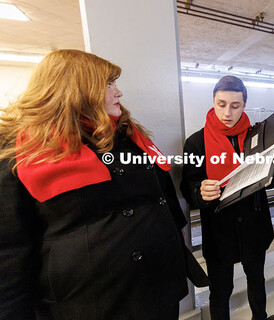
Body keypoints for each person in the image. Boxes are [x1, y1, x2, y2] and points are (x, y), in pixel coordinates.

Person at [0, 49, 196, 319]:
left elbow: (161, 192)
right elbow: (9, 251)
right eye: (109, 84)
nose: (119, 92)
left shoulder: (128, 134)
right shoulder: (22, 151)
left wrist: (178, 232)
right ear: (76, 88)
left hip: (157, 285)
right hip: (92, 302)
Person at [180, 75, 274, 320]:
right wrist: (199, 192)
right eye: (221, 104)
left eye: (235, 106)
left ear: (244, 105)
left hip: (254, 224)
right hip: (219, 228)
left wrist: (270, 164)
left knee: (256, 280)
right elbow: (188, 185)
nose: (228, 112)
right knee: (221, 289)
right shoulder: (196, 142)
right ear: (213, 102)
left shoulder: (259, 136)